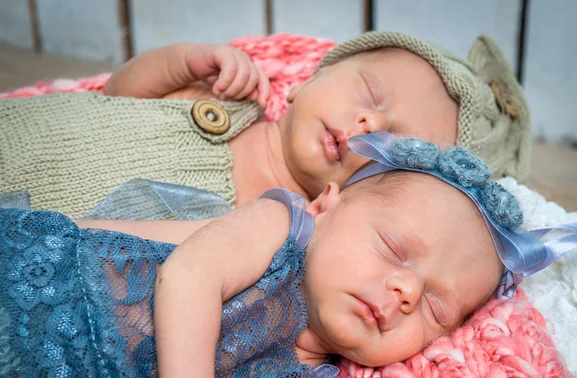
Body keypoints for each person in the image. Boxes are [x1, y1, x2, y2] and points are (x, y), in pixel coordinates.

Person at [2, 131, 577, 378]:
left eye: (436, 307)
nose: (405, 291)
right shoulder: (281, 230)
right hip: (35, 305)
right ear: (327, 205)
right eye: (392, 248)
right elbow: (188, 278)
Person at [0, 31, 531, 218]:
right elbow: (117, 95)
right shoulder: (225, 97)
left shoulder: (288, 225)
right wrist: (185, 62)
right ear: (309, 79)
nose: (370, 120)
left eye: (394, 141)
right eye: (369, 94)